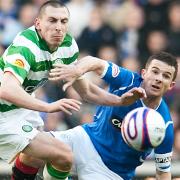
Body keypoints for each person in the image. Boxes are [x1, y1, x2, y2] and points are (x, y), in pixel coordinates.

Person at [0, 1, 147, 180]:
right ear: (38, 23)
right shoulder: (26, 46)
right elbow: (6, 89)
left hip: (20, 108)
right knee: (63, 154)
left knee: (36, 156)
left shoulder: (67, 46)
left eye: (63, 21)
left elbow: (86, 92)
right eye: (52, 21)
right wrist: (48, 107)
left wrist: (119, 101)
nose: (58, 27)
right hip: (3, 114)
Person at [49, 51, 177, 180]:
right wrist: (77, 70)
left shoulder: (164, 125)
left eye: (166, 76)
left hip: (111, 172)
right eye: (155, 72)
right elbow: (95, 62)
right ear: (144, 73)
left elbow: (163, 172)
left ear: (171, 85)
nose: (159, 79)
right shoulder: (128, 80)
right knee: (34, 150)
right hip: (86, 139)